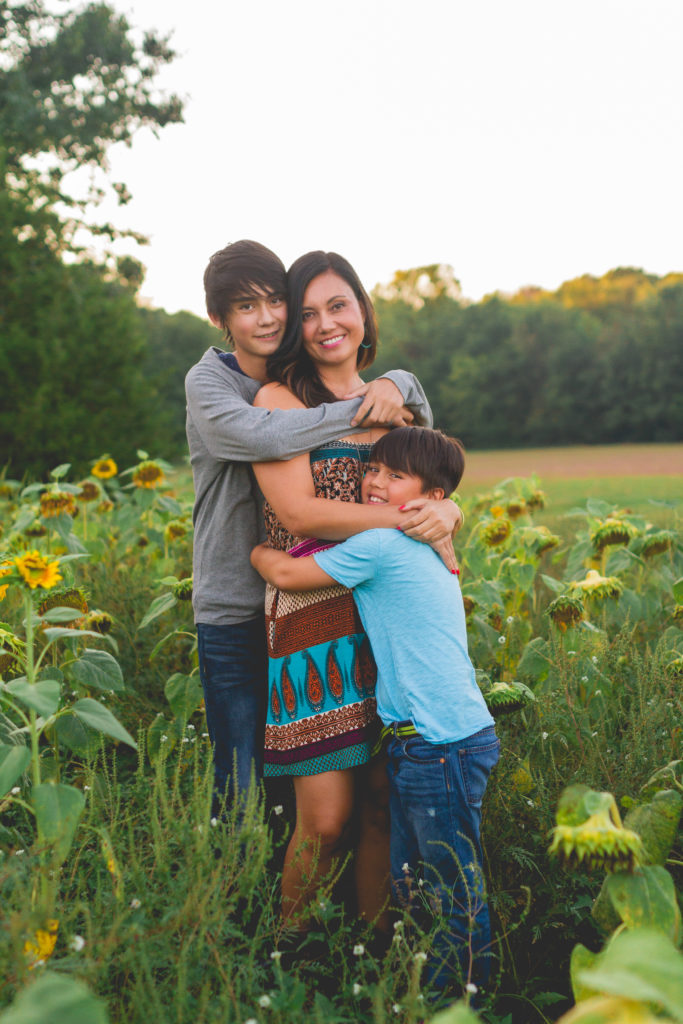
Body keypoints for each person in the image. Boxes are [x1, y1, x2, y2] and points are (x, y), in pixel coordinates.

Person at [185, 240, 458, 816]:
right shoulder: (218, 386)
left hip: (346, 591)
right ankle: (232, 903)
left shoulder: (316, 381)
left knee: (343, 793)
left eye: (274, 302)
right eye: (244, 307)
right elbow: (270, 437)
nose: (266, 318)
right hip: (240, 599)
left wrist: (395, 388)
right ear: (219, 319)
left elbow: (425, 450)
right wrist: (375, 400)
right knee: (242, 782)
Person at [249, 251, 462, 933]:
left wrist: (446, 513)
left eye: (337, 305)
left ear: (362, 312)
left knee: (378, 803)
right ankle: (287, 959)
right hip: (311, 614)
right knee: (325, 816)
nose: (323, 324)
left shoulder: (393, 405)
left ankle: (367, 961)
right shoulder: (279, 403)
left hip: (386, 619)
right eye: (306, 313)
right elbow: (302, 516)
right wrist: (414, 523)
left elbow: (434, 494)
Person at [251, 426, 499, 1001]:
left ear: (434, 498)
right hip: (439, 737)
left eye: (395, 476)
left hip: (439, 743)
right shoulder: (422, 540)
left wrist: (258, 549)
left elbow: (289, 575)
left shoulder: (382, 544)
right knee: (421, 879)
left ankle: (459, 1004)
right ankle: (410, 987)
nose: (375, 483)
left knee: (450, 886)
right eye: (373, 470)